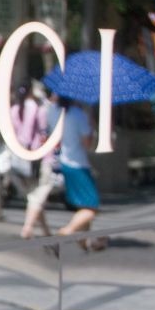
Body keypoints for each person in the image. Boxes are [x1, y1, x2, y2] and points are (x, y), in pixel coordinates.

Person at [55, 96, 106, 251]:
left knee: (82, 205)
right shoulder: (78, 115)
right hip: (78, 164)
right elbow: (87, 144)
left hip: (65, 162)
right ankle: (66, 231)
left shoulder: (58, 113)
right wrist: (91, 127)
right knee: (92, 206)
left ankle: (85, 240)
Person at [12, 84, 51, 239]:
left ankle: (46, 232)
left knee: (32, 195)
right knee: (38, 194)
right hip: (36, 157)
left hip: (18, 157)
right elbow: (40, 133)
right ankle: (27, 228)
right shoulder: (38, 108)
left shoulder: (14, 109)